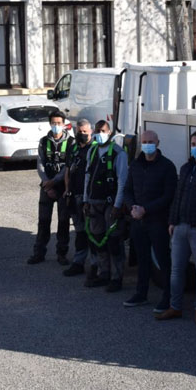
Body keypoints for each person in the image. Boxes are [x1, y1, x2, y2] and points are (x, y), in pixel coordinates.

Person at [157, 129, 196, 324]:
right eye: (193, 145)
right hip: (181, 226)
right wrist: (172, 221)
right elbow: (178, 196)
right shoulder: (185, 168)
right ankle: (175, 307)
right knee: (177, 269)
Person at [121, 129, 177, 311]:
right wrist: (133, 208)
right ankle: (141, 293)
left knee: (163, 260)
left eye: (151, 142)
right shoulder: (136, 165)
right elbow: (127, 190)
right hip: (138, 220)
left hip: (158, 221)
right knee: (142, 259)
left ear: (158, 143)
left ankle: (168, 297)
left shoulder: (167, 166)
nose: (147, 145)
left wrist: (146, 209)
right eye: (144, 142)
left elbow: (168, 195)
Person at [82, 119, 128, 292]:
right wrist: (86, 200)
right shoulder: (92, 151)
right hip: (94, 204)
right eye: (97, 130)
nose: (99, 134)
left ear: (109, 132)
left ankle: (117, 277)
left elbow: (122, 181)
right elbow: (87, 177)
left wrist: (117, 206)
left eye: (102, 130)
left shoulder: (119, 154)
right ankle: (104, 273)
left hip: (110, 205)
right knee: (98, 239)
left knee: (114, 241)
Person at [28, 111, 72, 265]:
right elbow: (40, 163)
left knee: (63, 221)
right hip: (47, 187)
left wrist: (55, 181)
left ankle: (62, 253)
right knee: (43, 221)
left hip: (63, 187)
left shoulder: (71, 142)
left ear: (64, 123)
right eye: (53, 123)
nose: (56, 126)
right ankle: (39, 253)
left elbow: (68, 166)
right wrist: (47, 183)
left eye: (59, 123)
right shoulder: (43, 141)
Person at [61, 119, 95, 278]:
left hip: (90, 198)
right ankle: (79, 263)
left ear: (91, 132)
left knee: (94, 233)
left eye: (84, 132)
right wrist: (67, 190)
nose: (81, 135)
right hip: (74, 196)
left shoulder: (95, 149)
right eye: (79, 132)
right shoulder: (73, 148)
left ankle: (96, 266)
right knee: (80, 232)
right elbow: (68, 170)